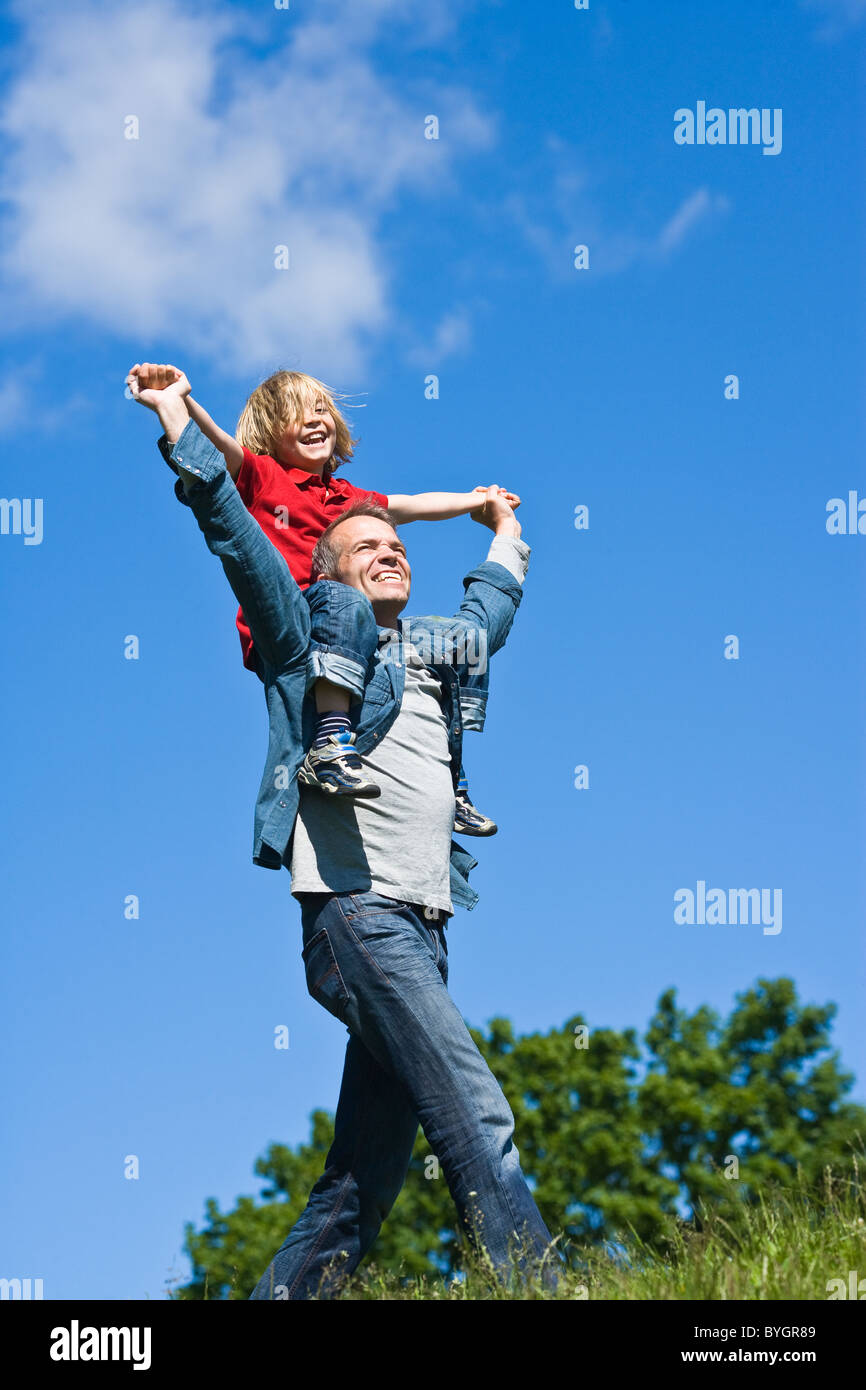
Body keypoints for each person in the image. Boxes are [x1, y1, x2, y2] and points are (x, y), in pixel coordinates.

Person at [130, 374, 561, 1299]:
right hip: (357, 921)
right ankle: (538, 1286)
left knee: (361, 1184)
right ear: (327, 576)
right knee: (475, 1111)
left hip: (427, 927)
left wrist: (505, 533)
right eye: (368, 546)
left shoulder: (433, 649)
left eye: (399, 545)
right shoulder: (302, 644)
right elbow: (233, 528)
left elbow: (491, 614)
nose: (392, 552)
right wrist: (176, 420)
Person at [127, 362, 521, 836]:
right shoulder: (263, 477)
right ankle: (329, 742)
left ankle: (451, 779)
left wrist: (477, 500)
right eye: (298, 415)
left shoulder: (349, 497)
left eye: (322, 411)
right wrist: (180, 400)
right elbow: (216, 451)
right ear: (270, 433)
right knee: (340, 598)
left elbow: (414, 504)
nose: (316, 421)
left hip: (355, 627)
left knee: (457, 642)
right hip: (296, 618)